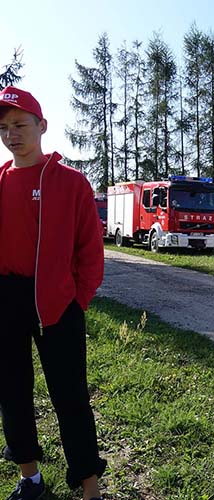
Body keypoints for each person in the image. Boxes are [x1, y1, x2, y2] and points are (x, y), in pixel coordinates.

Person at [0, 86, 106, 500]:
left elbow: (90, 252)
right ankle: (31, 479)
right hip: (6, 299)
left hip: (57, 302)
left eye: (20, 125)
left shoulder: (71, 183)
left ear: (42, 126)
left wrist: (77, 298)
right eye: (4, 127)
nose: (12, 135)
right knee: (11, 392)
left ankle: (89, 487)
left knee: (71, 397)